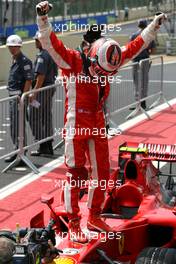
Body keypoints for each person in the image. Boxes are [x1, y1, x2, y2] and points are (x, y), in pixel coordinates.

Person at [36, 1, 166, 243]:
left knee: (102, 171)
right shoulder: (72, 61)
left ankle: (94, 215)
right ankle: (74, 223)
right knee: (76, 173)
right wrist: (43, 20)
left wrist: (153, 27)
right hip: (76, 123)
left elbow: (133, 48)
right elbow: (50, 44)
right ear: (90, 51)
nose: (105, 76)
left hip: (97, 121)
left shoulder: (109, 59)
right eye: (102, 71)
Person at [5, 35, 33, 162]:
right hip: (13, 97)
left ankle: (21, 152)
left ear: (19, 47)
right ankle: (18, 150)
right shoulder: (15, 59)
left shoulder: (24, 61)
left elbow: (28, 80)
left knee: (18, 125)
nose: (12, 49)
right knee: (14, 125)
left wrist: (23, 98)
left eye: (14, 47)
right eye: (10, 47)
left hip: (18, 98)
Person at [29, 31, 58, 156]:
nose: (35, 42)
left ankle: (43, 144)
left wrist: (34, 92)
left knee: (33, 115)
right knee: (46, 116)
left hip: (42, 90)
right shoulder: (50, 53)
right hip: (49, 88)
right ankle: (48, 145)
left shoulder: (42, 56)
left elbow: (40, 76)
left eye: (37, 40)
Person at [130, 19, 156, 110]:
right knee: (144, 81)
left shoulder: (133, 35)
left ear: (138, 25)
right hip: (144, 60)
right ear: (146, 25)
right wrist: (147, 52)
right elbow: (153, 49)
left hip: (135, 61)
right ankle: (143, 103)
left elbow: (130, 48)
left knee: (136, 82)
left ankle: (138, 103)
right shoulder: (149, 35)